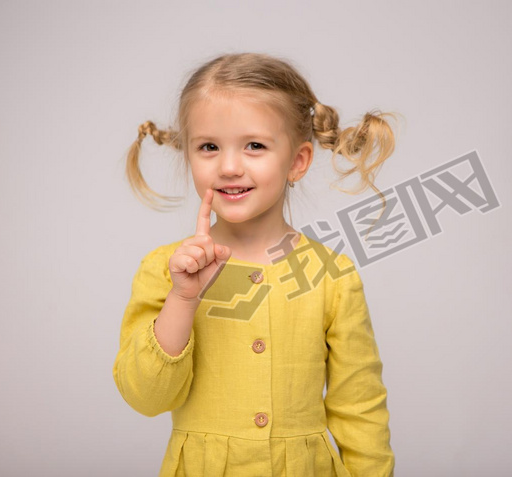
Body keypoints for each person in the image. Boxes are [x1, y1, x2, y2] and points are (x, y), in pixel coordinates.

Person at [112, 52, 399, 476]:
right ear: (189, 156)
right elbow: (146, 397)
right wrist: (183, 297)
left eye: (255, 146)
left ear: (298, 162)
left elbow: (360, 408)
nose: (229, 167)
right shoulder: (166, 269)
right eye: (209, 147)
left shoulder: (332, 276)